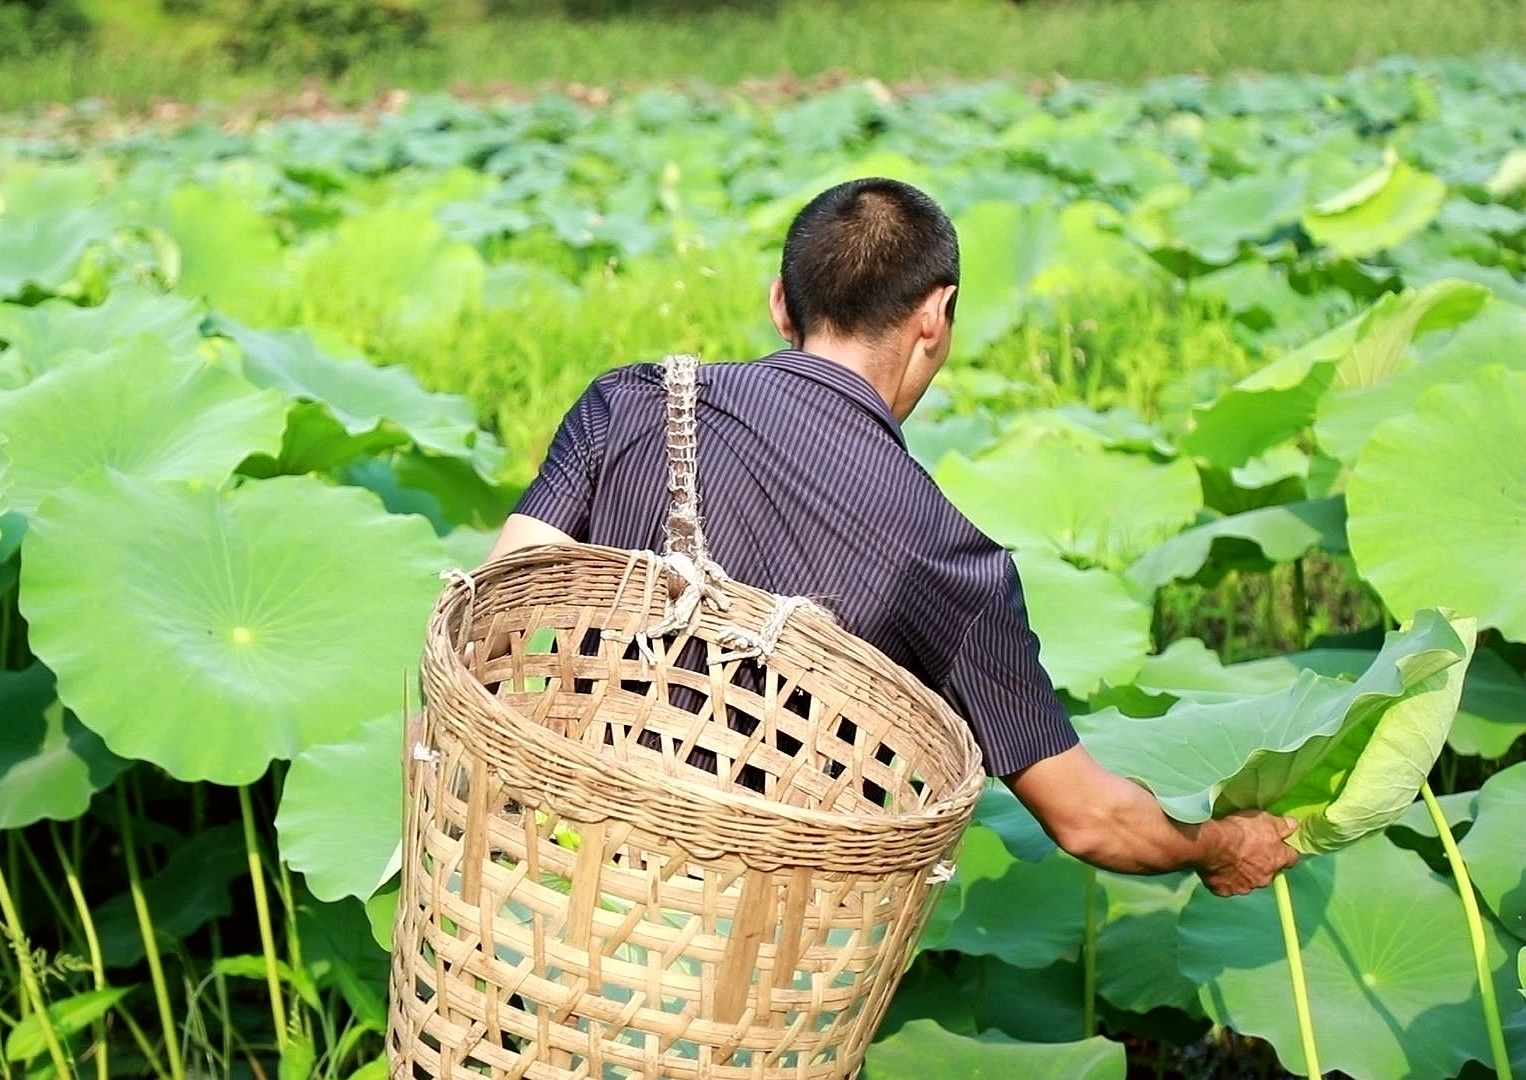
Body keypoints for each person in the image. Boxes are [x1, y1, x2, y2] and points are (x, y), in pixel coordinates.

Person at [484, 177, 1299, 898]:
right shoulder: (951, 561)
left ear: (781, 302)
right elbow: (1091, 820)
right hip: (751, 964)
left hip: (555, 902)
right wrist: (1225, 845)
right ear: (935, 317)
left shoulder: (632, 402)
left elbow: (499, 603)